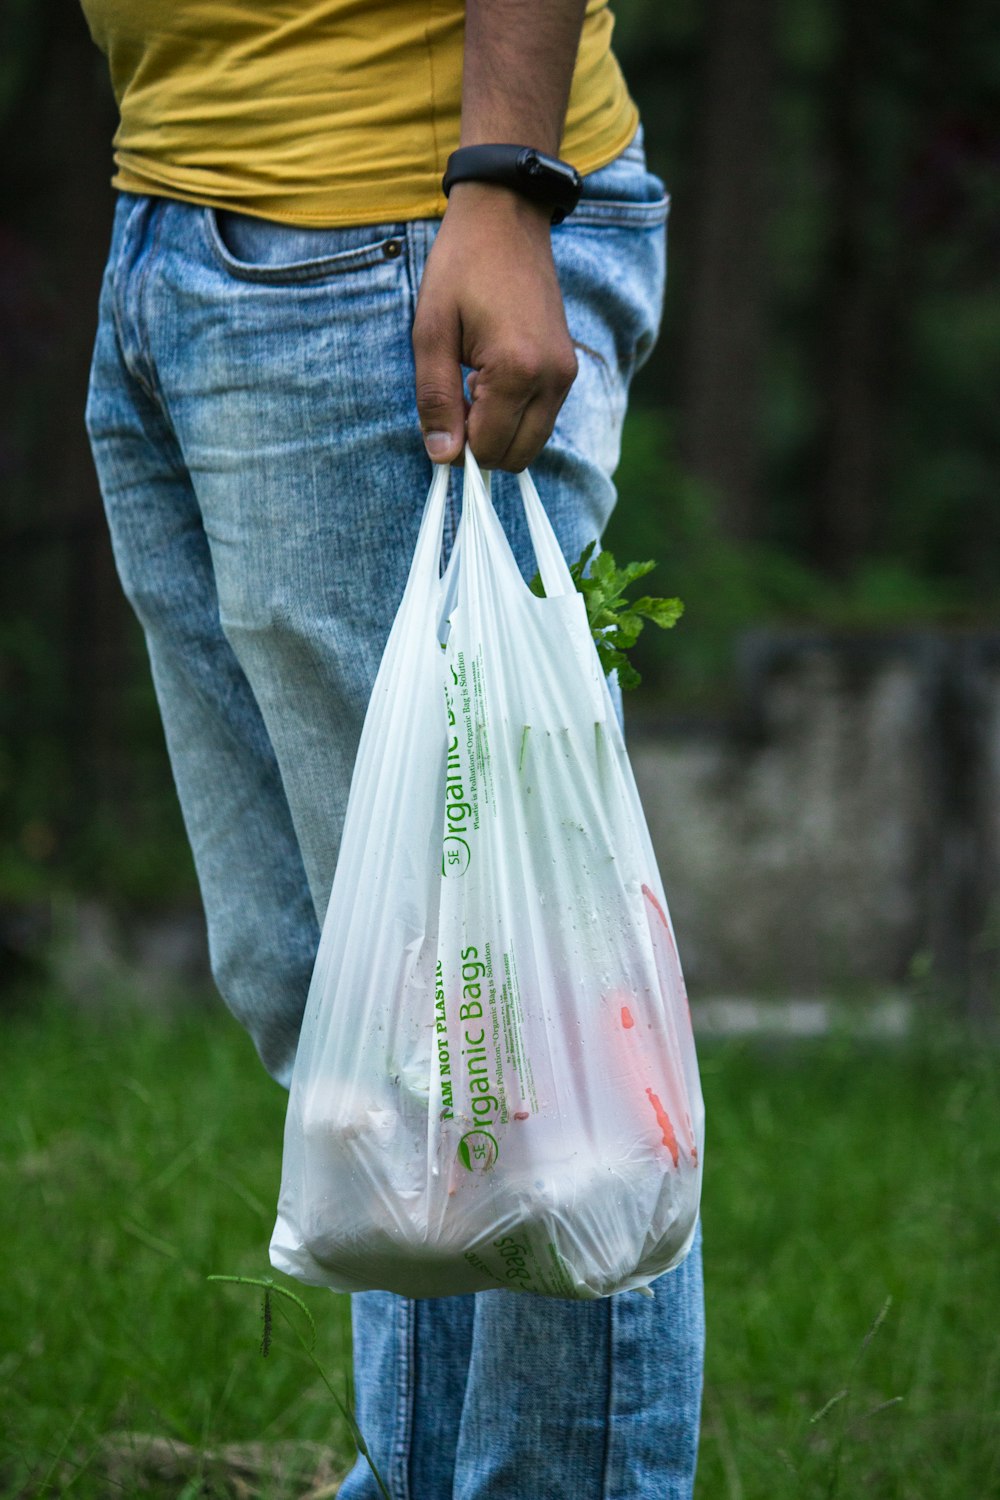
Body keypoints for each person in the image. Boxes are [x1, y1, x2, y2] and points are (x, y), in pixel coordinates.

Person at [80, 1, 705, 1494]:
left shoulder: (470, 204)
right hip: (180, 217)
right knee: (371, 1026)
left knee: (524, 1051)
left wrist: (504, 180)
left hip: (400, 224)